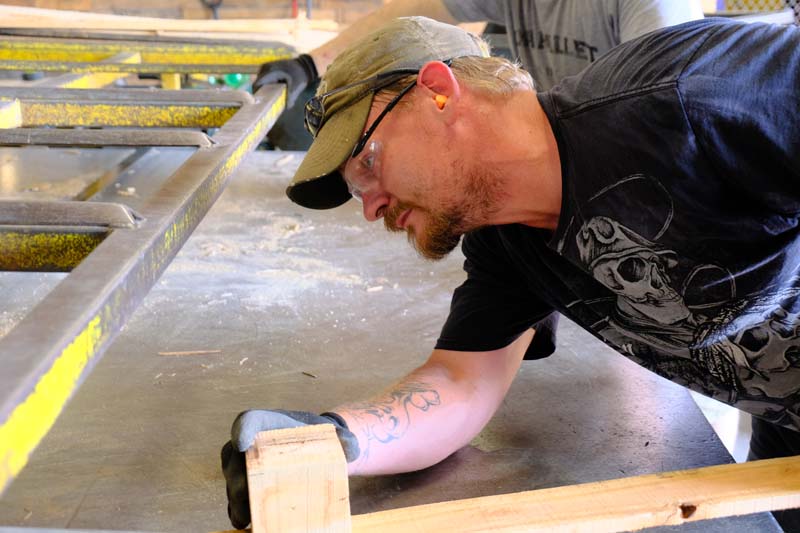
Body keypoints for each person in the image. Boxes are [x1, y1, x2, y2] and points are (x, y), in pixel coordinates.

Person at [221, 15, 800, 530]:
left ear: (438, 94)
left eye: (367, 163)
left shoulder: (679, 96)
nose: (370, 207)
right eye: (355, 189)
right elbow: (460, 384)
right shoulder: (509, 247)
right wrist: (333, 439)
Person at [257, 0, 703, 149]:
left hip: (641, 165)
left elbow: (665, 113)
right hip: (562, 160)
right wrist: (310, 64)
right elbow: (411, 14)